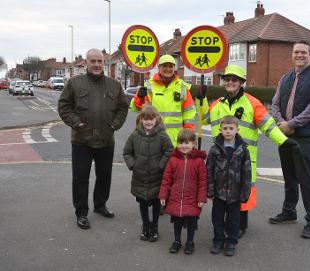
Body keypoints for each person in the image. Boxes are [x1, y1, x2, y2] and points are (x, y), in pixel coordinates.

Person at [202, 65, 294, 238]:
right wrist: (201, 100)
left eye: (234, 79)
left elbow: (267, 125)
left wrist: (283, 141)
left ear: (241, 82)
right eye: (227, 79)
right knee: (221, 192)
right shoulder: (216, 104)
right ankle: (221, 227)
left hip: (243, 159)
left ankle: (240, 226)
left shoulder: (252, 103)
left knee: (242, 192)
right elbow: (202, 118)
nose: (230, 82)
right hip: (220, 160)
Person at [58, 48, 128, 229]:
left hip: (106, 140)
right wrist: (76, 123)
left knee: (104, 176)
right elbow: (64, 106)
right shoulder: (74, 83)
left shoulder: (114, 85)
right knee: (80, 178)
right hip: (82, 140)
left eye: (100, 61)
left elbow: (122, 107)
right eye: (93, 61)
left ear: (103, 64)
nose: (97, 65)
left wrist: (115, 125)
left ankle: (100, 205)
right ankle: (81, 212)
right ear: (86, 63)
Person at [270, 41, 310, 238]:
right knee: (289, 177)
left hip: (304, 136)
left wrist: (291, 124)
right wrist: (281, 123)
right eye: (297, 52)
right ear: (292, 55)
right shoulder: (285, 78)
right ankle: (289, 212)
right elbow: (275, 104)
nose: (300, 55)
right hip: (284, 135)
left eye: (304, 52)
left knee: (306, 180)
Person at [130, 54, 207, 147]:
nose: (168, 69)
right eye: (164, 66)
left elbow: (189, 113)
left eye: (170, 66)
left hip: (176, 141)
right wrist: (139, 98)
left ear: (174, 68)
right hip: (153, 138)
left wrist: (188, 135)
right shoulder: (148, 86)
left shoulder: (182, 87)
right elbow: (135, 108)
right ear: (159, 68)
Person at [123, 105, 173, 242]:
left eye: (151, 119)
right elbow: (127, 152)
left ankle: (154, 227)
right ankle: (145, 227)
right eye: (146, 119)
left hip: (157, 177)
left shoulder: (162, 135)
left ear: (156, 119)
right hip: (140, 177)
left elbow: (169, 151)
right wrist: (132, 165)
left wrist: (161, 165)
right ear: (141, 120)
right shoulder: (135, 135)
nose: (148, 122)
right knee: (143, 204)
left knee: (157, 204)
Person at [207, 116, 251, 257]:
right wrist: (210, 190)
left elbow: (247, 173)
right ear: (220, 130)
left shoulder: (243, 150)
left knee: (234, 220)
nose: (228, 131)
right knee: (217, 218)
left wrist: (245, 192)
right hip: (219, 193)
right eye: (225, 128)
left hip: (235, 193)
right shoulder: (215, 149)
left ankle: (231, 241)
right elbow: (209, 171)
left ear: (237, 130)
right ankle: (218, 240)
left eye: (231, 128)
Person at [159, 129, 207, 255]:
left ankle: (190, 242)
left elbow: (202, 181)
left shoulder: (199, 161)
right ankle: (177, 241)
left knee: (191, 221)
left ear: (194, 144)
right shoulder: (173, 160)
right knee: (177, 221)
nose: (183, 146)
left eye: (186, 143)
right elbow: (166, 179)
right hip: (175, 197)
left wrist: (201, 198)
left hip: (192, 198)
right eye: (180, 143)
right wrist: (163, 195)